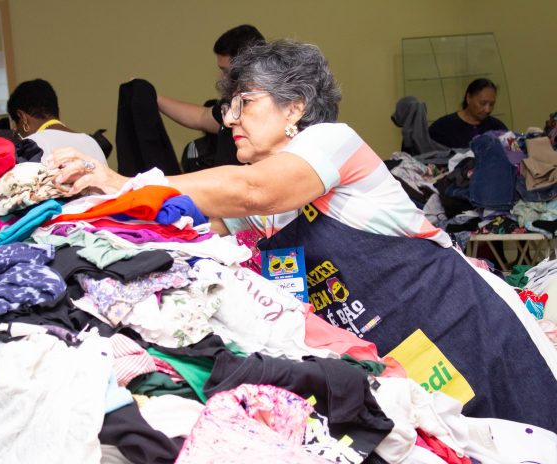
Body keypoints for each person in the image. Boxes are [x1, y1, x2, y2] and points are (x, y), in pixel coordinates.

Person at [48, 39, 557, 432]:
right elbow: (187, 221)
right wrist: (100, 202)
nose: (230, 120)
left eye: (244, 103)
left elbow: (253, 190)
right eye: (227, 108)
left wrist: (126, 182)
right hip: (399, 357)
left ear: (294, 107)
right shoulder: (256, 210)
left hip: (468, 326)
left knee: (531, 431)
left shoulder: (332, 143)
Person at [157, 24, 265, 166]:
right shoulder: (230, 103)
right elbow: (201, 117)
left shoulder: (268, 111)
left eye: (226, 71)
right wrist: (152, 97)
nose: (221, 77)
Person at [7, 78, 106, 166]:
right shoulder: (91, 142)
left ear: (22, 117)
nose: (17, 131)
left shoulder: (31, 146)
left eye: (16, 125)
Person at [428, 78, 508, 149]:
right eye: (483, 103)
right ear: (469, 98)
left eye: (491, 104)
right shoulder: (442, 128)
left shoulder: (498, 127)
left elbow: (514, 153)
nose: (487, 110)